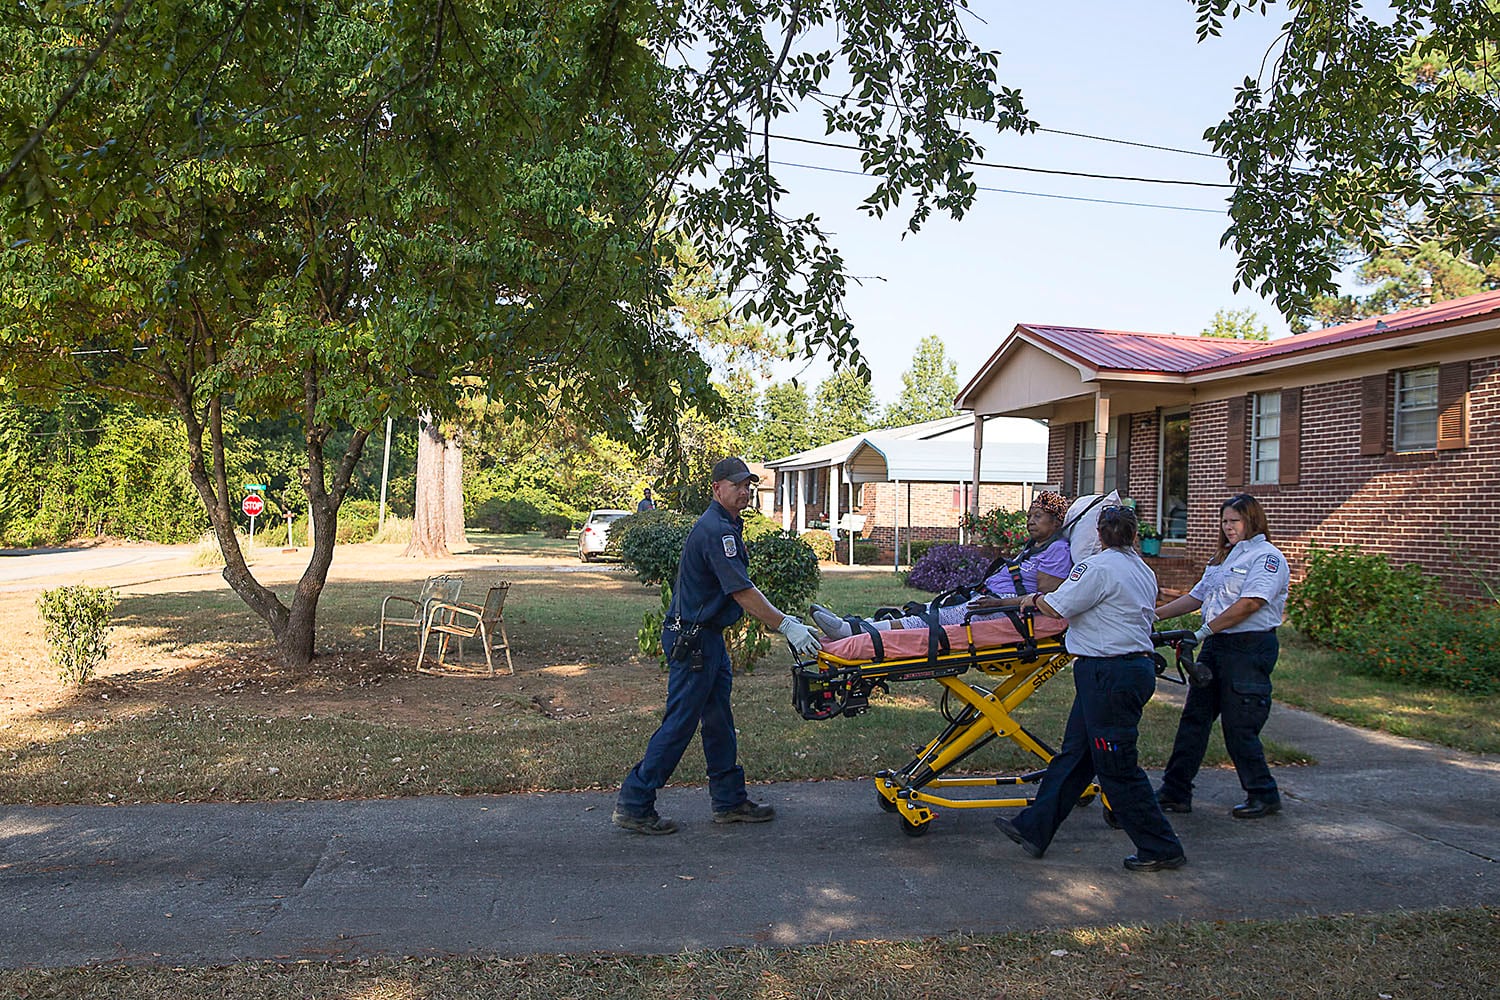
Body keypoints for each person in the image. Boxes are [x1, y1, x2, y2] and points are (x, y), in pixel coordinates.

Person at [613, 457, 822, 835]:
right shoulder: (715, 530)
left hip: (704, 638)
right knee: (680, 723)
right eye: (737, 485)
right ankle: (635, 802)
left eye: (748, 486)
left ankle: (728, 800)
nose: (745, 492)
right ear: (717, 488)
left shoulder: (725, 525)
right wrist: (786, 625)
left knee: (718, 720)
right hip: (694, 641)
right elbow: (741, 591)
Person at [992, 505, 1187, 872]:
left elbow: (1057, 607)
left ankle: (1160, 846)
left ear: (1098, 535)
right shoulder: (1141, 569)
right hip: (1126, 669)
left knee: (1116, 765)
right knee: (1077, 756)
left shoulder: (1095, 568)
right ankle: (1035, 828)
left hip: (1107, 673)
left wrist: (1030, 599)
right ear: (1133, 535)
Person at [1153, 493, 1290, 819]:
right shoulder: (1224, 559)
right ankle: (1175, 791)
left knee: (1239, 723)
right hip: (1217, 645)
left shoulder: (1266, 558)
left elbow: (1250, 604)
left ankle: (1263, 794)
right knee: (1194, 720)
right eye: (1225, 521)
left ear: (1252, 520)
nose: (1228, 527)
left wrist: (1202, 633)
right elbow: (1195, 597)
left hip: (1248, 647)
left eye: (1235, 521)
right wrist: (1152, 617)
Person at [809, 491, 1073, 638]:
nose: (1030, 521)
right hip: (988, 598)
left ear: (1056, 523)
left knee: (934, 620)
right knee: (925, 609)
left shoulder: (1058, 551)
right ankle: (861, 626)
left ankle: (855, 634)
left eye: (1038, 516)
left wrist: (998, 604)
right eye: (1029, 516)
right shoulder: (1034, 547)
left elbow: (1046, 599)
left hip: (1006, 609)